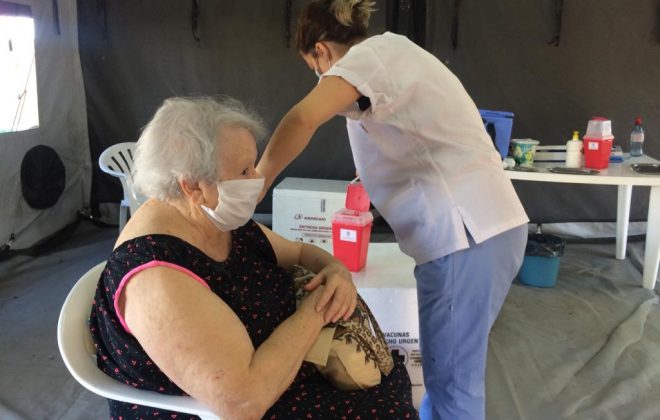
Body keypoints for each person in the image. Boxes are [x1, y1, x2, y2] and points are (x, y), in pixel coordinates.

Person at [255, 1, 529, 419]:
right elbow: (412, 139)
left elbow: (301, 119)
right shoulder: (393, 59)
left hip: (464, 235)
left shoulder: (370, 59)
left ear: (322, 51)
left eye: (313, 64)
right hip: (487, 229)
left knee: (454, 387)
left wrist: (255, 186)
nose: (318, 76)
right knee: (452, 375)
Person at [89, 96, 418, 419]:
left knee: (386, 387)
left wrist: (336, 270)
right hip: (236, 404)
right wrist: (318, 310)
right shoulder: (156, 276)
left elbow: (301, 251)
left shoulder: (218, 219)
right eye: (244, 170)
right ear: (192, 186)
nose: (256, 179)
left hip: (284, 376)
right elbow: (243, 403)